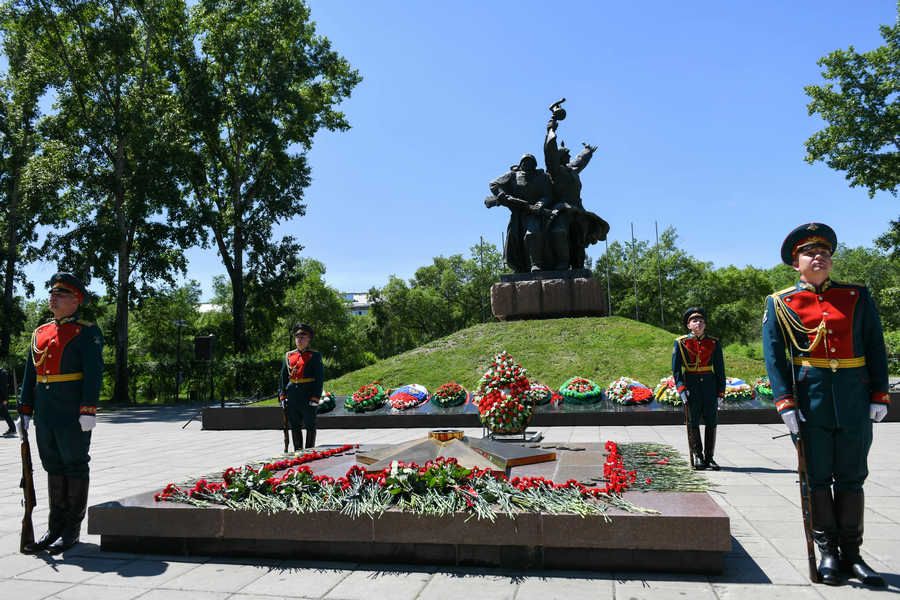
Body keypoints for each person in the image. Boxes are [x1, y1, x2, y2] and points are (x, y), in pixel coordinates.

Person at [762, 223, 889, 587]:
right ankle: (828, 553)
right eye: (810, 253)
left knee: (852, 476)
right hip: (810, 401)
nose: (819, 258)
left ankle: (853, 554)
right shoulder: (781, 303)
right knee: (817, 478)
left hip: (853, 397)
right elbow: (774, 357)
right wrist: (785, 402)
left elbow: (874, 346)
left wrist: (879, 393)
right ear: (795, 263)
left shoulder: (856, 296)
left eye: (825, 253)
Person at [17, 273, 103, 554]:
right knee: (52, 465)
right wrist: (25, 409)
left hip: (71, 411)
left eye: (61, 294)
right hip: (45, 413)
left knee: (75, 464)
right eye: (53, 293)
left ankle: (71, 529)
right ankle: (55, 526)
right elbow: (31, 374)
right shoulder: (41, 332)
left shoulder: (86, 331)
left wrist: (88, 409)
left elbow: (93, 374)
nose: (53, 298)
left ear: (76, 300)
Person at [672, 307, 726, 470]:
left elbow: (720, 369)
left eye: (701, 321)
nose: (699, 323)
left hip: (710, 385)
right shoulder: (681, 342)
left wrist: (720, 391)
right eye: (694, 321)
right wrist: (681, 389)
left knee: (711, 422)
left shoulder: (713, 342)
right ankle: (698, 455)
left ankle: (710, 457)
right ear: (688, 325)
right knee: (693, 421)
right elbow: (676, 370)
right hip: (692, 386)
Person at [487, 154, 555, 272]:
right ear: (521, 163)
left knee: (532, 234)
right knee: (515, 241)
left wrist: (539, 205)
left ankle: (536, 264)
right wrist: (501, 195)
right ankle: (520, 267)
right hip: (518, 214)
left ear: (534, 164)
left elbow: (547, 195)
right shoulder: (513, 175)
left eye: (530, 162)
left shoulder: (542, 177)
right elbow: (494, 184)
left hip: (533, 213)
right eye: (525, 161)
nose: (527, 164)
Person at [279, 323, 324, 451]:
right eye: (297, 337)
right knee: (295, 425)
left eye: (303, 337)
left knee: (310, 425)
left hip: (308, 395)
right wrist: (282, 396)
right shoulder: (289, 356)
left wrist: (315, 397)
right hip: (292, 395)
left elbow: (319, 378)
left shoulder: (315, 356)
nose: (299, 339)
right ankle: (298, 452)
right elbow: (282, 378)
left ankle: (309, 452)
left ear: (309, 339)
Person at [1, 367, 15, 436]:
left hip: (1, 398)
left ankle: (12, 429)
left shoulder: (2, 373)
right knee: (5, 414)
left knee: (5, 414)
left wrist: (5, 399)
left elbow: (4, 387)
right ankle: (12, 429)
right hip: (2, 397)